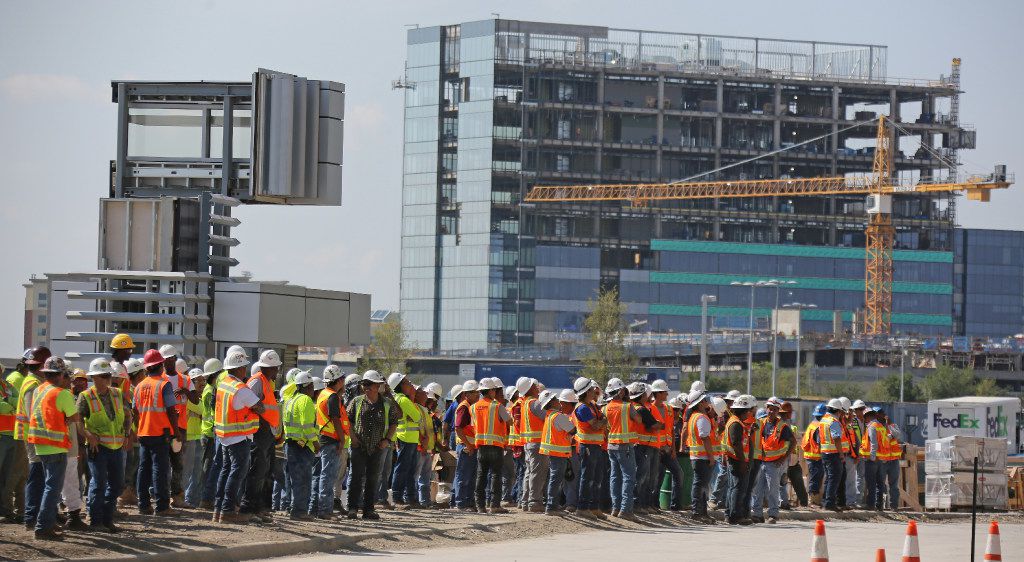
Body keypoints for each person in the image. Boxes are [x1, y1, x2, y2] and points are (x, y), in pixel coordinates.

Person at [25, 357, 83, 540]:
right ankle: (43, 527)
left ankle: (45, 524)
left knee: (48, 486)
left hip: (40, 445)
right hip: (55, 446)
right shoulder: (62, 393)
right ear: (61, 374)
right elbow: (75, 417)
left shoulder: (39, 390)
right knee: (53, 488)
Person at [79, 358, 132, 532]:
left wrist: (126, 434)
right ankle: (96, 521)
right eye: (104, 376)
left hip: (116, 446)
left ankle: (107, 519)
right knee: (99, 483)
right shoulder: (85, 396)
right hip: (97, 447)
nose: (108, 379)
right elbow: (77, 421)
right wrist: (88, 436)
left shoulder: (116, 393)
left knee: (116, 484)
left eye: (108, 375)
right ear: (94, 378)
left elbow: (127, 414)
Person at [213, 349, 265, 524]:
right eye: (244, 367)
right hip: (238, 438)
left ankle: (218, 509)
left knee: (226, 471)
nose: (245, 370)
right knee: (237, 474)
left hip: (225, 436)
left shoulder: (224, 384)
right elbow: (260, 407)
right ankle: (227, 510)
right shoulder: (241, 389)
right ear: (240, 369)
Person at [133, 349, 182, 517]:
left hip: (144, 433)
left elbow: (135, 411)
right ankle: (162, 506)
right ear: (161, 365)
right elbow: (170, 410)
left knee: (143, 469)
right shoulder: (164, 384)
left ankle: (144, 505)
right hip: (160, 432)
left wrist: (138, 429)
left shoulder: (139, 386)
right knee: (160, 470)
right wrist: (176, 432)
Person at [347, 370, 400, 520]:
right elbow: (348, 421)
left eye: (370, 384)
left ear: (378, 386)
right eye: (365, 384)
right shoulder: (356, 402)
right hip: (359, 446)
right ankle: (352, 508)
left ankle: (368, 509)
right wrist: (353, 438)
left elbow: (394, 422)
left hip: (378, 447)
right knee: (356, 478)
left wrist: (387, 440)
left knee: (373, 478)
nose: (367, 387)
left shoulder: (387, 404)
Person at [240, 350, 282, 521]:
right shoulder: (257, 381)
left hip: (267, 433)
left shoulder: (266, 382)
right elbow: (250, 405)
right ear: (269, 367)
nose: (277, 371)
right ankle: (247, 508)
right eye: (275, 368)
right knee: (256, 471)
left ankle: (258, 508)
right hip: (259, 432)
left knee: (265, 472)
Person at [15, 347, 52, 530]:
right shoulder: (33, 384)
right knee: (36, 476)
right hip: (34, 437)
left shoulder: (34, 381)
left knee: (38, 476)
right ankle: (31, 517)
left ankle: (34, 515)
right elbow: (33, 414)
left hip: (34, 436)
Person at [158, 345, 194, 509]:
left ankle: (177, 497)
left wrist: (186, 391)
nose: (169, 361)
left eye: (171, 358)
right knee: (163, 464)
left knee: (178, 463)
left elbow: (196, 400)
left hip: (180, 428)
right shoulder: (159, 379)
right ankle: (162, 496)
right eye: (166, 359)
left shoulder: (185, 379)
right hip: (164, 427)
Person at [603, 378, 642, 522]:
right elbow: (638, 420)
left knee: (615, 477)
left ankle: (616, 508)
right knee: (628, 477)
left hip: (611, 445)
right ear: (620, 391)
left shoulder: (606, 407)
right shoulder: (627, 406)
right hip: (624, 446)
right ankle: (626, 510)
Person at [470, 377, 511, 514]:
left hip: (481, 446)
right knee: (495, 475)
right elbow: (509, 421)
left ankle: (480, 506)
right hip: (495, 445)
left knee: (481, 475)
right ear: (492, 391)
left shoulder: (473, 407)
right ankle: (494, 505)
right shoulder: (497, 406)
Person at [750, 398, 793, 524]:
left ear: (778, 411)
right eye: (770, 409)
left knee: (772, 489)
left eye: (774, 409)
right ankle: (757, 514)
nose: (771, 411)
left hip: (774, 463)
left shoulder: (782, 427)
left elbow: (793, 442)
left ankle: (773, 514)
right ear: (766, 409)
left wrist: (783, 458)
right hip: (761, 461)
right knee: (758, 489)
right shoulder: (760, 423)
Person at [315, 365, 349, 520]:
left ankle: (324, 509)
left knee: (326, 475)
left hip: (325, 438)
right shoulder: (332, 397)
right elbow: (335, 419)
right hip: (332, 440)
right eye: (342, 378)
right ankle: (325, 510)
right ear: (338, 380)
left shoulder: (323, 393)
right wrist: (342, 439)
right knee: (328, 476)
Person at [282, 371, 318, 520]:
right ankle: (299, 511)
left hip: (291, 444)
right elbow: (307, 426)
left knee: (293, 479)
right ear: (308, 386)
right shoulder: (306, 401)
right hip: (303, 446)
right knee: (303, 480)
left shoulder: (290, 400)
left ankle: (293, 508)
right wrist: (315, 442)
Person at [571, 377, 606, 520]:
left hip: (595, 446)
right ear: (586, 392)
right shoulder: (583, 408)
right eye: (591, 389)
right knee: (587, 478)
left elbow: (601, 420)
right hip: (587, 447)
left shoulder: (590, 405)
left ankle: (593, 507)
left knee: (597, 477)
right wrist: (603, 420)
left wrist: (602, 420)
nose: (594, 391)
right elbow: (596, 425)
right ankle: (582, 507)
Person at [538, 389, 576, 515]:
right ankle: (551, 507)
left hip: (554, 452)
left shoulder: (549, 415)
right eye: (555, 399)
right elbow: (572, 430)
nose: (558, 401)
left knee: (555, 479)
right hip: (559, 453)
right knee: (556, 480)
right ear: (551, 402)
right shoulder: (558, 416)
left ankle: (552, 505)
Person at [386, 372, 421, 509]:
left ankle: (408, 498)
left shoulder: (399, 399)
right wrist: (413, 417)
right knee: (403, 469)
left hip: (408, 438)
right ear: (400, 385)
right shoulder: (403, 400)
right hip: (406, 438)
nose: (409, 384)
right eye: (406, 382)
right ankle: (398, 497)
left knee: (408, 469)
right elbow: (417, 417)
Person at [629, 382, 663, 513]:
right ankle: (640, 505)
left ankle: (640, 504)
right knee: (643, 476)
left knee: (641, 476)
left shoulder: (632, 407)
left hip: (637, 445)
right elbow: (655, 425)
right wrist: (658, 424)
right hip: (644, 446)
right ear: (642, 395)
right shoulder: (641, 409)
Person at [723, 394, 756, 525]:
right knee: (738, 488)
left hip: (736, 460)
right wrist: (743, 462)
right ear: (743, 411)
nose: (750, 413)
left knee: (734, 488)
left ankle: (730, 515)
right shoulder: (735, 423)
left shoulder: (736, 422)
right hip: (737, 461)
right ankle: (735, 516)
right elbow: (736, 444)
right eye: (748, 410)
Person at [686, 391, 718, 523]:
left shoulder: (695, 416)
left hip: (698, 457)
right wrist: (711, 457)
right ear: (699, 403)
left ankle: (701, 512)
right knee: (700, 485)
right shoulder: (701, 418)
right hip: (702, 458)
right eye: (704, 400)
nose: (707, 402)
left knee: (702, 486)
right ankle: (697, 513)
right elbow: (704, 438)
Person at [709, 388, 740, 509]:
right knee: (723, 475)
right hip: (724, 447)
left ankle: (723, 501)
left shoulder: (732, 413)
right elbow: (720, 430)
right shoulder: (725, 413)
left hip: (729, 448)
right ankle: (714, 499)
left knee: (727, 476)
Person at [452, 380, 480, 511]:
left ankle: (468, 503)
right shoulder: (464, 407)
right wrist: (468, 445)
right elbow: (458, 428)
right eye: (475, 393)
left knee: (471, 476)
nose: (478, 395)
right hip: (465, 446)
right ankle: (461, 503)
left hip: (471, 446)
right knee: (463, 476)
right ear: (467, 394)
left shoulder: (471, 407)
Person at [198, 358, 222, 510]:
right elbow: (212, 413)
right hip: (209, 434)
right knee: (209, 467)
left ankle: (207, 498)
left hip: (210, 433)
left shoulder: (211, 389)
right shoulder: (210, 391)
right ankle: (204, 499)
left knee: (212, 466)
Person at [182, 368, 207, 508]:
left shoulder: (198, 398)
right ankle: (185, 498)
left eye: (203, 381)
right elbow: (201, 410)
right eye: (199, 381)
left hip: (197, 435)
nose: (202, 384)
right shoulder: (191, 398)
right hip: (189, 437)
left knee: (196, 471)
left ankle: (191, 499)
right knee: (188, 471)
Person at [0, 361, 19, 523]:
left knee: (7, 475)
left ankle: (4, 509)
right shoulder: (6, 388)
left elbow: (18, 401)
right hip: (1, 436)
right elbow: (3, 407)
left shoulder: (5, 385)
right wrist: (9, 404)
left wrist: (9, 403)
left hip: (11, 435)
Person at [778, 401, 807, 509]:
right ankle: (782, 502)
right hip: (783, 459)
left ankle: (803, 503)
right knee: (782, 482)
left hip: (792, 460)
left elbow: (797, 441)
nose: (791, 414)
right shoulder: (781, 424)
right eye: (790, 412)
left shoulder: (789, 424)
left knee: (796, 481)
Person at [818, 398, 845, 512]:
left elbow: (820, 439)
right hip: (833, 454)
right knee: (834, 479)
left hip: (825, 453)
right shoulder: (833, 421)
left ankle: (826, 501)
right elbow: (837, 438)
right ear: (838, 411)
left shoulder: (823, 420)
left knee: (829, 478)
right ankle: (829, 503)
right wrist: (841, 454)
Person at [879, 408, 902, 511]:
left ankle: (894, 506)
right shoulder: (876, 427)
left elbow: (897, 434)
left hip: (893, 460)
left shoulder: (892, 426)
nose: (883, 416)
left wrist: (889, 425)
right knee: (880, 484)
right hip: (882, 461)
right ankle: (880, 506)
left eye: (883, 414)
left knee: (894, 485)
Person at [803, 402, 826, 506]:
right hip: (816, 457)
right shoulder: (819, 427)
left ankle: (814, 499)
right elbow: (819, 443)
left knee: (814, 478)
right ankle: (813, 501)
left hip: (811, 455)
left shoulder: (812, 424)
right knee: (815, 478)